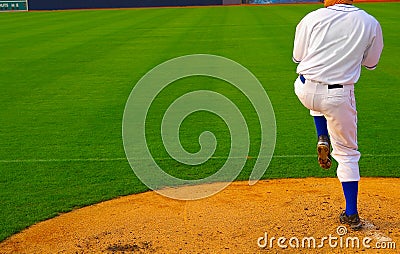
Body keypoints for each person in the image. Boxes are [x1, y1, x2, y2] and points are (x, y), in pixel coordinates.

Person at [292, 0, 383, 230]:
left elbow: (298, 57)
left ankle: (322, 135)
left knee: (317, 97)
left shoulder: (311, 18)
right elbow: (371, 64)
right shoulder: (370, 22)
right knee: (347, 154)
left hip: (304, 89)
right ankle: (351, 214)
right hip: (338, 96)